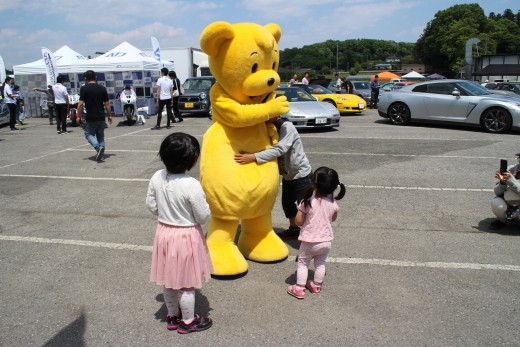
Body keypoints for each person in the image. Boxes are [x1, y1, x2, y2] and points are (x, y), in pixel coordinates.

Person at [146, 132, 213, 334]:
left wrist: (164, 214)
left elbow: (151, 205)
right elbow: (202, 216)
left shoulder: (157, 176)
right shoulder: (191, 184)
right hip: (186, 235)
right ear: (192, 160)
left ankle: (172, 316)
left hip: (164, 232)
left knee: (169, 279)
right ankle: (188, 321)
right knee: (186, 283)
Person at [234, 116, 312, 239]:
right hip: (287, 174)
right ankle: (294, 229)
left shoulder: (287, 127)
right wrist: (250, 152)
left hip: (300, 174)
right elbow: (268, 147)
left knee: (305, 206)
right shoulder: (270, 127)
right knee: (287, 203)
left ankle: (310, 235)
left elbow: (280, 149)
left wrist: (253, 157)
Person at [286, 166, 346, 299]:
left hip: (309, 241)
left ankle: (299, 288)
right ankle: (316, 285)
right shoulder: (333, 203)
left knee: (303, 263)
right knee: (320, 263)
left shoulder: (307, 202)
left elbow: (298, 221)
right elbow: (333, 218)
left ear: (314, 185)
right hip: (326, 242)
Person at [76, 70, 113, 162]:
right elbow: (107, 103)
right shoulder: (102, 88)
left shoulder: (84, 89)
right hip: (101, 116)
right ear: (95, 77)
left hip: (90, 116)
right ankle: (101, 147)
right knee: (100, 135)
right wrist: (109, 115)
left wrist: (78, 116)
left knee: (88, 134)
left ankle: (98, 148)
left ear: (85, 78)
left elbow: (80, 104)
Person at [490, 153, 520, 229]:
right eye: (519, 158)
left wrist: (510, 180)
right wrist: (502, 183)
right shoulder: (510, 170)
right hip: (513, 204)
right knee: (497, 203)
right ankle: (502, 220)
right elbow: (497, 192)